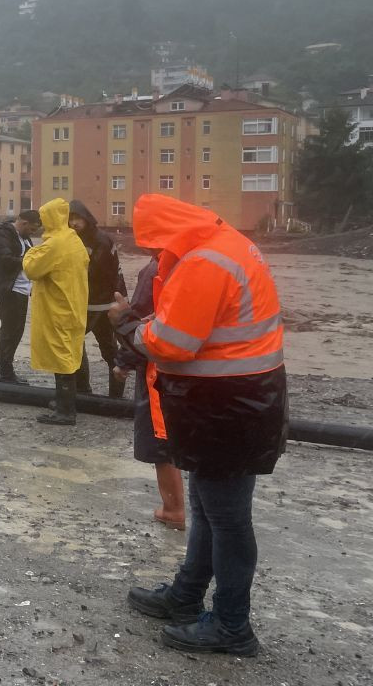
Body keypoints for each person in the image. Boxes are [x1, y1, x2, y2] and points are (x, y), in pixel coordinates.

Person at [113, 194, 287, 657]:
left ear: (167, 236)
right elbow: (203, 323)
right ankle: (187, 595)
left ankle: (232, 626)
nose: (154, 257)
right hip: (239, 401)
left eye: (153, 248)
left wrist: (129, 326)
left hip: (229, 405)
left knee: (227, 517)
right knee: (209, 505)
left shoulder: (204, 262)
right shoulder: (227, 245)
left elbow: (173, 343)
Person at [113, 256, 185, 530]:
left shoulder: (156, 269)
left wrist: (124, 361)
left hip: (159, 367)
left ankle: (173, 508)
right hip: (196, 368)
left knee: (159, 439)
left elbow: (143, 321)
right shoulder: (201, 263)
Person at [21, 198, 89, 425]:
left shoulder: (54, 244)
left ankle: (66, 411)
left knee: (62, 359)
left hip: (57, 308)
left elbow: (31, 268)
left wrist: (30, 252)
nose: (41, 223)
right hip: (73, 306)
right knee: (70, 354)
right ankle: (65, 402)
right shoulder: (73, 240)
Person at [68, 200, 128, 397]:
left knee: (107, 349)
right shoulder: (76, 238)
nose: (74, 223)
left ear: (86, 218)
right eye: (70, 219)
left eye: (77, 218)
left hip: (101, 304)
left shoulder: (100, 240)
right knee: (76, 345)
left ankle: (114, 395)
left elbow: (96, 272)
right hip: (87, 303)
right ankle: (84, 389)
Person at [0, 209, 41, 384]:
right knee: (9, 330)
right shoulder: (3, 235)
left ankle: (7, 371)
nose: (33, 233)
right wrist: (29, 260)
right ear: (24, 223)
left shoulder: (23, 237)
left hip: (22, 289)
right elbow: (5, 260)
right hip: (9, 289)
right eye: (32, 229)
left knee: (16, 331)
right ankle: (5, 373)